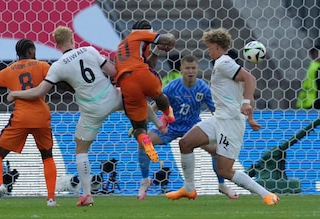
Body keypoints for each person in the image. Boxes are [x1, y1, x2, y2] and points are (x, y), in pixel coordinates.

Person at [7, 26, 165, 207]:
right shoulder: (89, 50)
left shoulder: (58, 66)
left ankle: (87, 195)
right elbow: (114, 72)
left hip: (92, 110)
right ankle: (160, 124)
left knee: (81, 149)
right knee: (133, 95)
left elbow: (38, 92)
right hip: (112, 97)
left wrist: (15, 94)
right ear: (72, 38)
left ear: (57, 44)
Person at [165, 28, 280, 205]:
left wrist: (247, 104)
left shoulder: (223, 62)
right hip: (219, 118)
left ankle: (266, 194)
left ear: (217, 46)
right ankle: (189, 188)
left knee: (225, 171)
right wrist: (250, 117)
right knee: (185, 143)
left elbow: (250, 79)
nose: (208, 51)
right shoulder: (223, 63)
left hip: (230, 124)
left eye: (209, 47)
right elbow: (242, 88)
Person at [136, 54, 238, 200]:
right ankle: (145, 181)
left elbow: (215, 110)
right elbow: (157, 105)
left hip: (193, 127)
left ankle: (222, 185)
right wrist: (142, 123)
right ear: (181, 69)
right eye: (187, 68)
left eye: (194, 68)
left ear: (197, 70)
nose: (191, 71)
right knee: (143, 142)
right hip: (171, 125)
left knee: (216, 150)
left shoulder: (203, 88)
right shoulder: (172, 87)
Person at [0, 39, 58, 207]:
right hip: (41, 117)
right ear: (31, 51)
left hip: (20, 118)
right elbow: (61, 83)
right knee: (47, 156)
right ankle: (51, 199)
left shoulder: (6, 72)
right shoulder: (43, 66)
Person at [114, 20, 176, 164]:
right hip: (142, 75)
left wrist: (156, 49)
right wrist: (169, 43)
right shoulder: (141, 35)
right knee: (159, 94)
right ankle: (168, 116)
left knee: (139, 126)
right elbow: (168, 39)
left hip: (126, 84)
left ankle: (145, 140)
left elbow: (150, 63)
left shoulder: (122, 45)